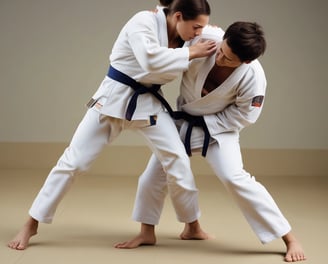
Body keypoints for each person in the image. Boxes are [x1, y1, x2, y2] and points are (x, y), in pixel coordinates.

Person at [7, 0, 218, 250]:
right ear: (178, 16)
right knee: (73, 162)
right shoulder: (143, 21)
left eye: (202, 28)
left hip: (149, 103)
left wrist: (219, 40)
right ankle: (32, 223)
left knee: (177, 160)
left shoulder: (193, 35)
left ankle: (191, 226)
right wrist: (191, 52)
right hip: (113, 98)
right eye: (195, 27)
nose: (199, 34)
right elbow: (150, 60)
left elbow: (226, 42)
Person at [115, 22, 306, 262]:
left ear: (245, 62)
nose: (219, 58)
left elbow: (245, 116)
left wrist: (208, 125)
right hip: (184, 121)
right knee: (153, 175)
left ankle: (289, 238)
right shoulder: (205, 39)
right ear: (223, 37)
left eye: (228, 59)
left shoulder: (254, 77)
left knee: (235, 179)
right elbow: (171, 38)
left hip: (219, 130)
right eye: (221, 50)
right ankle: (152, 232)